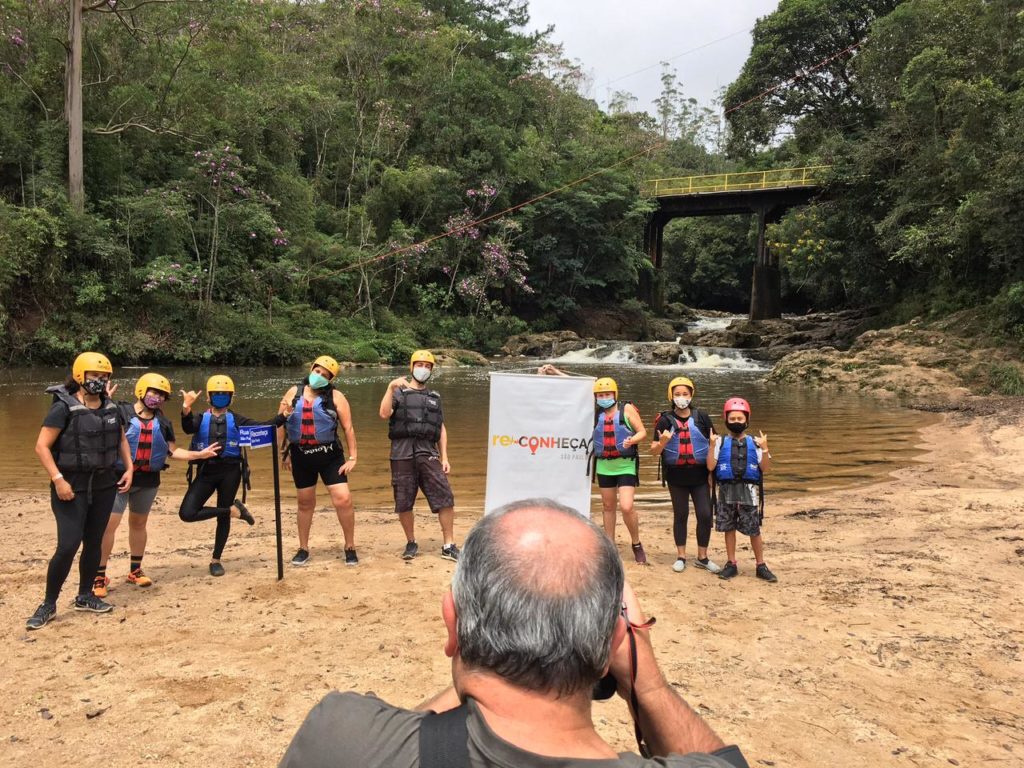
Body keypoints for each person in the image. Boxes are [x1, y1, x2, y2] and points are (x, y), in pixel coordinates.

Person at [278, 498, 750, 768]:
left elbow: (414, 729)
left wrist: (478, 651)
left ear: (452, 623)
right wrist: (646, 680)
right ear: (611, 644)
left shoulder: (338, 737)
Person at [26, 352, 134, 630]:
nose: (99, 381)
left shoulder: (110, 407)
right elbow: (41, 446)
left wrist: (129, 468)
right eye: (94, 376)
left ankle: (85, 596)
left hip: (104, 485)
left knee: (94, 542)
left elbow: (121, 439)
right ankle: (49, 603)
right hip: (70, 487)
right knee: (68, 544)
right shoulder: (63, 407)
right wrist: (58, 479)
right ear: (79, 376)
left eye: (104, 376)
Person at [92, 373, 221, 598]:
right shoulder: (120, 411)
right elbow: (97, 426)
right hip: (119, 478)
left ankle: (135, 570)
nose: (157, 397)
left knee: (139, 524)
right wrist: (102, 403)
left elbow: (172, 451)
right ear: (141, 391)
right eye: (153, 392)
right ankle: (99, 575)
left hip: (148, 481)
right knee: (108, 526)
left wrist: (198, 454)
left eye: (161, 394)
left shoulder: (163, 422)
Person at [179, 374, 282, 577]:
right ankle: (233, 510)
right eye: (216, 394)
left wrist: (283, 416)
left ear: (231, 397)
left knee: (221, 519)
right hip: (207, 472)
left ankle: (216, 559)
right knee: (187, 513)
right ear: (208, 397)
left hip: (231, 472)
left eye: (224, 394)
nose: (220, 397)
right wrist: (185, 407)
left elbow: (264, 426)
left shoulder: (237, 419)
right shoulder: (200, 418)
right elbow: (187, 427)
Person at [277, 355, 359, 567]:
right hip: (301, 456)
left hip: (330, 456)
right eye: (318, 371)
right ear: (311, 369)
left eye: (325, 375)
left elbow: (348, 428)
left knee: (344, 499)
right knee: (305, 503)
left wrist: (353, 457)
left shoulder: (337, 397)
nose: (320, 376)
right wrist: (283, 453)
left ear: (330, 379)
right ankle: (303, 548)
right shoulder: (293, 392)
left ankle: (349, 546)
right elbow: (280, 423)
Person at [378, 350, 458, 562]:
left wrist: (445, 457)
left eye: (428, 366)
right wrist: (390, 387)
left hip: (428, 452)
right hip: (401, 453)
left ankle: (448, 545)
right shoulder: (398, 393)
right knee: (404, 501)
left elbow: (440, 428)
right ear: (411, 367)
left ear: (431, 370)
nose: (423, 369)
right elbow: (384, 413)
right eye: (419, 364)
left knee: (445, 496)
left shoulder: (434, 398)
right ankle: (411, 542)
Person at [650, 376, 721, 575]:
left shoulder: (701, 417)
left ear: (691, 395)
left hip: (699, 475)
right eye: (677, 394)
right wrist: (663, 442)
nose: (681, 397)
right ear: (671, 397)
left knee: (705, 515)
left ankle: (702, 557)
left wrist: (713, 470)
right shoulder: (665, 419)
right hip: (676, 476)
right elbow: (654, 450)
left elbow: (713, 442)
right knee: (681, 515)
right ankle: (681, 556)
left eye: (685, 394)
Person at [707, 397, 777, 583]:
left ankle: (760, 565)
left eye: (740, 419)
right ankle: (731, 563)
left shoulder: (755, 442)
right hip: (726, 490)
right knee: (729, 528)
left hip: (749, 490)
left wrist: (764, 448)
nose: (736, 422)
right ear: (726, 420)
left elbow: (765, 468)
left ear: (746, 420)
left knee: (754, 529)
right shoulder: (720, 442)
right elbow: (711, 466)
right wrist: (712, 446)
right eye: (732, 419)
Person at [592, 377, 648, 564]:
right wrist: (555, 372)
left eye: (607, 394)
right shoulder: (596, 412)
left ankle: (636, 543)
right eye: (600, 395)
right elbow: (576, 389)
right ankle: (610, 546)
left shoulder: (626, 409)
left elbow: (642, 431)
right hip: (604, 465)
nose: (604, 397)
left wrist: (632, 440)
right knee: (608, 507)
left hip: (625, 464)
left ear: (615, 394)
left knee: (626, 506)